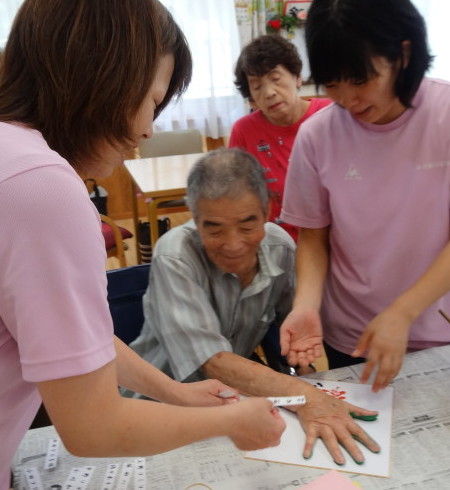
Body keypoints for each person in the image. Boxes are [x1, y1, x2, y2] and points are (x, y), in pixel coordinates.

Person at [0, 1, 286, 487]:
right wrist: (231, 421)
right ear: (106, 75)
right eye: (152, 101)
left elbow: (75, 338)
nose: (148, 130)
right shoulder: (43, 187)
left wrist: (177, 392)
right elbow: (94, 426)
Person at [130, 147, 381, 466]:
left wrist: (300, 357)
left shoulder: (280, 247)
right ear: (194, 219)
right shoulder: (175, 255)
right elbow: (212, 362)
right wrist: (306, 396)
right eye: (214, 228)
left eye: (248, 226)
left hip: (235, 399)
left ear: (266, 212)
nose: (234, 244)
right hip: (158, 405)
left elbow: (291, 328)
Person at [280, 0, 450, 393]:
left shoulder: (444, 116)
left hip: (440, 330)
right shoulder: (317, 135)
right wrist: (305, 304)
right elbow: (313, 238)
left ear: (402, 54)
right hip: (354, 336)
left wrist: (402, 312)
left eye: (360, 79)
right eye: (332, 83)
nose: (347, 99)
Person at [228, 34, 331, 242]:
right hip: (275, 244)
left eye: (276, 79)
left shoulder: (330, 115)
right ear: (251, 98)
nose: (269, 93)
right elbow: (235, 193)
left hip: (334, 238)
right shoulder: (244, 131)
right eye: (257, 86)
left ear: (297, 77)